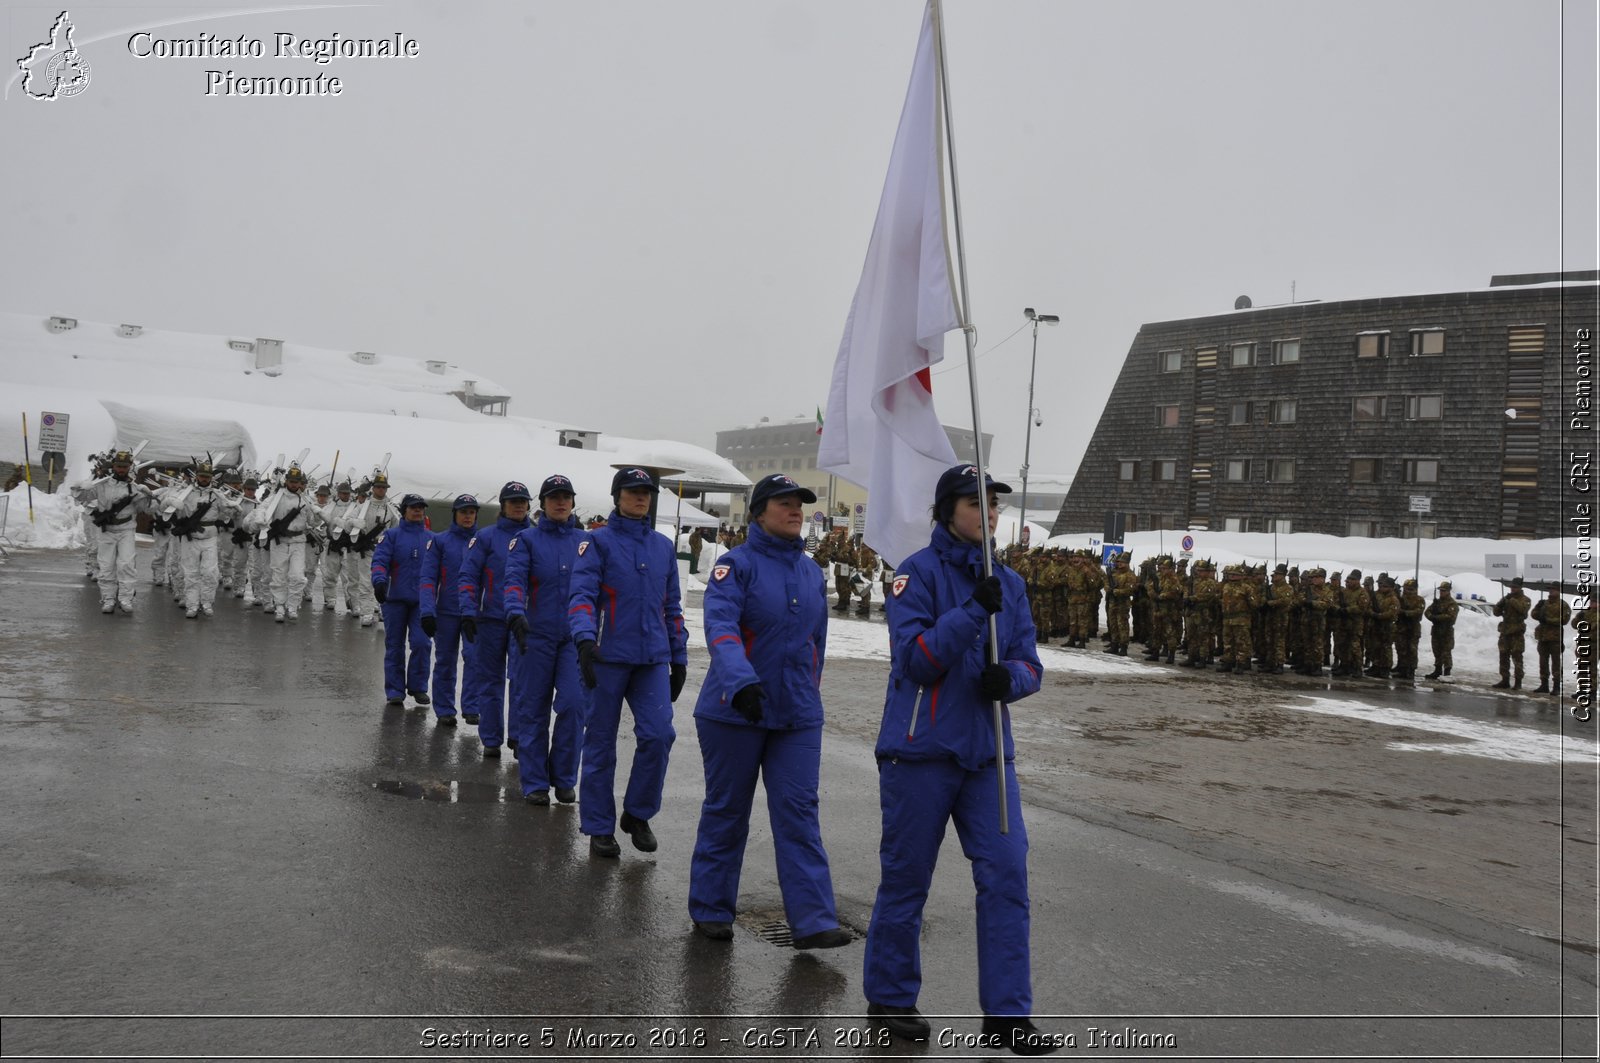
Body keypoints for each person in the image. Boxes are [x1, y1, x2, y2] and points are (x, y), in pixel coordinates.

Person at [862, 464, 1053, 1055]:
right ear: (948, 510)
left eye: (994, 504)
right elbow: (917, 660)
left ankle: (1007, 1014)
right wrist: (972, 610)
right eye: (977, 503)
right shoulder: (913, 576)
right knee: (907, 879)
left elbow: (1030, 664)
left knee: (1007, 872)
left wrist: (1010, 680)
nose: (990, 513)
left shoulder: (1011, 583)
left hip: (988, 757)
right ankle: (891, 998)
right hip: (919, 754)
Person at [688, 474, 848, 949]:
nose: (796, 510)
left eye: (799, 503)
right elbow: (720, 628)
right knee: (728, 811)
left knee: (799, 812)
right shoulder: (734, 567)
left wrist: (808, 693)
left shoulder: (811, 572)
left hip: (796, 716)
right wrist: (741, 683)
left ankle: (814, 920)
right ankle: (712, 908)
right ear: (759, 512)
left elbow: (817, 642)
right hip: (734, 711)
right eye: (784, 503)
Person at [568, 467, 688, 859]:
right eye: (633, 491)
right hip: (607, 656)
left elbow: (672, 605)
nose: (641, 498)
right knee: (600, 742)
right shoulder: (596, 542)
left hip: (651, 658)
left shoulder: (662, 546)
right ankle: (600, 826)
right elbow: (582, 595)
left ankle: (637, 813)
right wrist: (585, 640)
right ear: (617, 496)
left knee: (659, 735)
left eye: (646, 493)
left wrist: (679, 656)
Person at [503, 475, 589, 805]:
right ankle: (535, 781)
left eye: (566, 496)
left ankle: (565, 776)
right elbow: (513, 581)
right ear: (542, 503)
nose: (560, 502)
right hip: (533, 637)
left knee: (573, 705)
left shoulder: (586, 541)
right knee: (532, 709)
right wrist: (514, 612)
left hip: (572, 640)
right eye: (554, 497)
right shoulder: (526, 541)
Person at [457, 481, 534, 756]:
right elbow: (468, 577)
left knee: (522, 681)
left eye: (523, 501)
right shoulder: (485, 538)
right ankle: (491, 739)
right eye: (513, 501)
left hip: (523, 624)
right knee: (490, 680)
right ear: (503, 505)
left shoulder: (535, 537)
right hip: (489, 620)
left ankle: (517, 736)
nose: (518, 505)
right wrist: (468, 611)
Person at [418, 494, 480, 727]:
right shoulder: (440, 541)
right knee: (445, 660)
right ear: (455, 514)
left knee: (474, 658)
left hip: (474, 613)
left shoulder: (481, 541)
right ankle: (444, 709)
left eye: (472, 512)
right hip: (446, 611)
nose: (467, 516)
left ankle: (472, 707)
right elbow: (427, 577)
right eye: (463, 512)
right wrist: (427, 610)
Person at [372, 494, 435, 708]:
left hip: (422, 601)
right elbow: (380, 560)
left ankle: (418, 687)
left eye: (420, 508)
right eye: (413, 507)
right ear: (404, 511)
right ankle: (395, 690)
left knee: (421, 643)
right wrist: (379, 581)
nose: (417, 511)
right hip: (394, 599)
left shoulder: (432, 539)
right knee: (395, 645)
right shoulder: (391, 536)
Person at [85, 450, 153, 614]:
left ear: (129, 467)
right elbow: (82, 496)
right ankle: (108, 598)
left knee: (126, 565)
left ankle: (125, 598)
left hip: (126, 530)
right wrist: (82, 486)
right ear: (113, 466)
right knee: (106, 565)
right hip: (107, 530)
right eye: (118, 466)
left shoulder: (135, 488)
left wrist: (147, 496)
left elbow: (147, 509)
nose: (121, 469)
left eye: (124, 466)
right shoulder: (101, 485)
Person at [168, 462, 235, 619]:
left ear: (211, 478)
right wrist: (170, 501)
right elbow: (169, 507)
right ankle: (192, 604)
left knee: (210, 572)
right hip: (190, 537)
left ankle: (206, 603)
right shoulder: (186, 493)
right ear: (196, 476)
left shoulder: (217, 495)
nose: (204, 479)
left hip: (210, 537)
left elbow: (226, 515)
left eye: (207, 477)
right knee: (190, 572)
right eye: (202, 476)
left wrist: (231, 507)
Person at [262, 465, 312, 622]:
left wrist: (316, 513)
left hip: (298, 541)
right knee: (278, 576)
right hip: (280, 541)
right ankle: (279, 606)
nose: (294, 485)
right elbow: (263, 512)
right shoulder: (275, 498)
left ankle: (292, 606)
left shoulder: (305, 500)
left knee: (297, 576)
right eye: (291, 481)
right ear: (287, 481)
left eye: (297, 482)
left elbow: (312, 521)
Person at [1530, 587, 1572, 696]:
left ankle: (1556, 686)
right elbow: (1534, 614)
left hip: (1555, 638)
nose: (1551, 591)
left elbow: (1565, 620)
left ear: (1559, 591)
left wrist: (1548, 619)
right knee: (1543, 662)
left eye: (1554, 590)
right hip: (1543, 637)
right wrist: (1538, 609)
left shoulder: (1563, 605)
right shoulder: (1544, 603)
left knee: (1556, 663)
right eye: (1550, 590)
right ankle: (1544, 685)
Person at [1492, 577, 1532, 690]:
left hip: (1516, 633)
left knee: (1517, 657)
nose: (1512, 589)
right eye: (1512, 587)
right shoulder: (1507, 598)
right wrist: (1500, 604)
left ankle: (1518, 682)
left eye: (1515, 587)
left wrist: (1512, 600)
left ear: (1520, 587)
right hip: (1505, 631)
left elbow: (1522, 610)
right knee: (1503, 656)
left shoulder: (1525, 599)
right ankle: (1505, 680)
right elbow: (1496, 612)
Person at [1423, 581, 1458, 680]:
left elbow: (1451, 617)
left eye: (1443, 591)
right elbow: (1427, 612)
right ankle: (1437, 670)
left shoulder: (1452, 604)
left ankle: (1447, 672)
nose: (1441, 592)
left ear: (1448, 591)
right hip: (1436, 629)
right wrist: (1432, 617)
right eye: (1440, 590)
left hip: (1446, 631)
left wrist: (1437, 617)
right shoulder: (1437, 602)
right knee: (1436, 651)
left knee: (1446, 652)